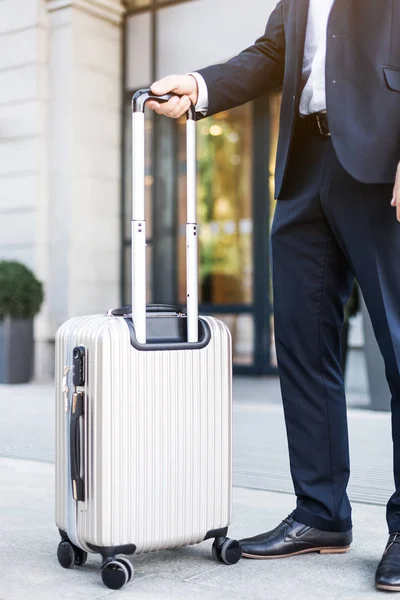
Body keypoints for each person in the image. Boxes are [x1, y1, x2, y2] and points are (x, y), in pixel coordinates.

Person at [148, 0, 400, 591]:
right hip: (304, 166)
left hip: (383, 158)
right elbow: (271, 55)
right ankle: (321, 513)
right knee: (302, 345)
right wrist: (198, 84)